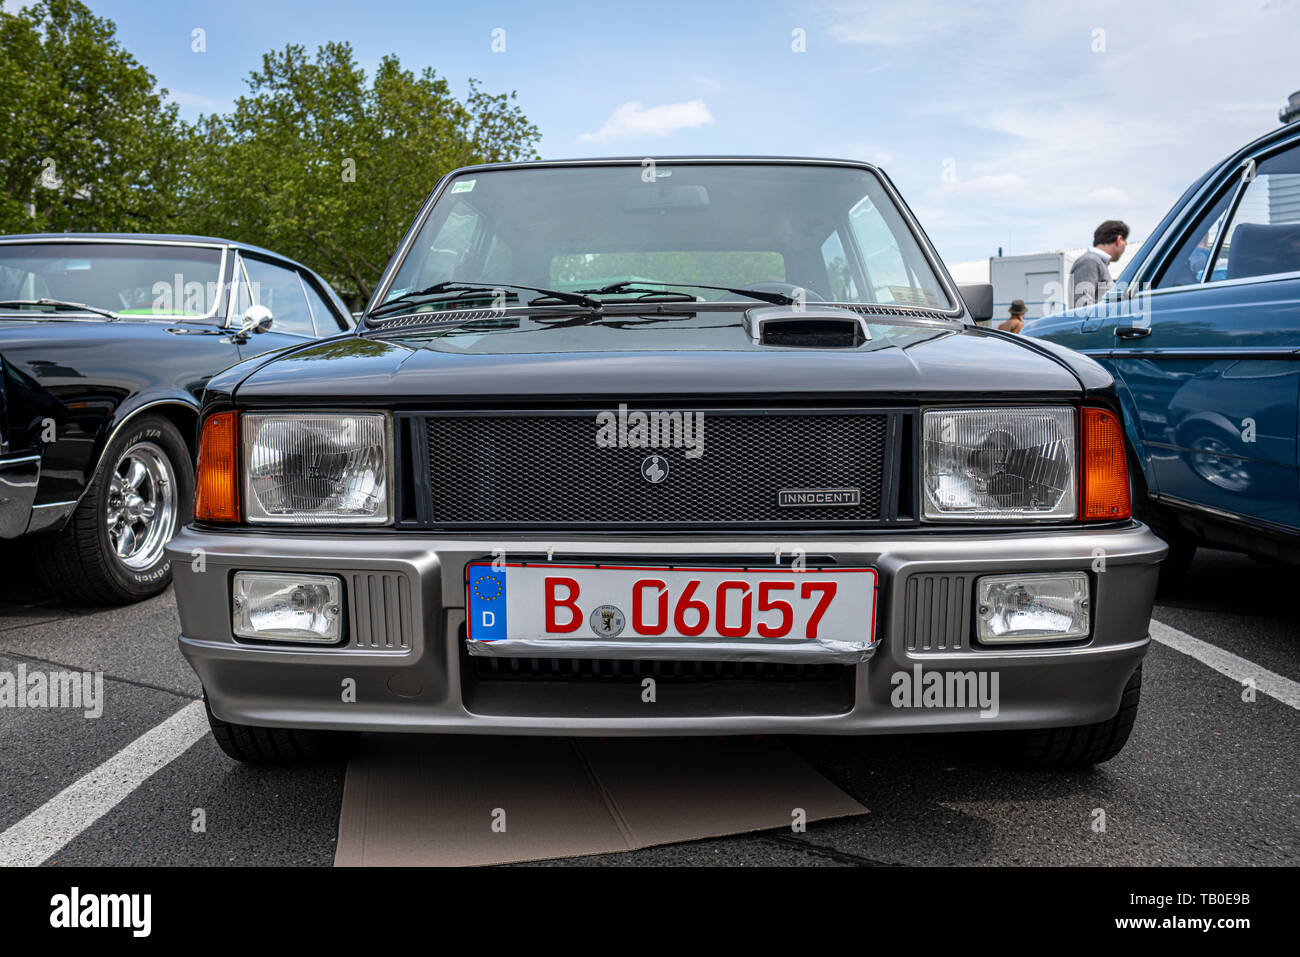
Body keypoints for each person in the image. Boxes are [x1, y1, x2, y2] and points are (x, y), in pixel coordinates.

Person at [1070, 219, 1129, 307]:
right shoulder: (1090, 261)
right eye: (1125, 243)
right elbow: (1082, 307)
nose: (1125, 247)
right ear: (1119, 240)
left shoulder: (1097, 263)